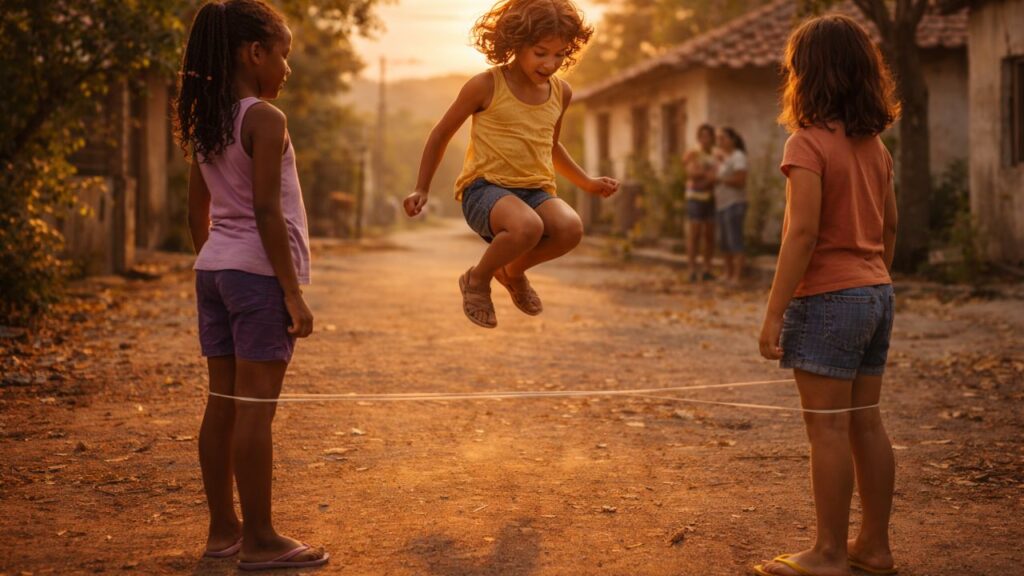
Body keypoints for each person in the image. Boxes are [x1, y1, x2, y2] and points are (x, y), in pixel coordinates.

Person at [173, 1, 328, 570]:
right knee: (256, 410)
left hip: (214, 270)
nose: (287, 67)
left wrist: (217, 261)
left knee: (223, 403)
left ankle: (224, 532)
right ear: (254, 52)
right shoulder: (264, 118)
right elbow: (266, 210)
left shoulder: (207, 118)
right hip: (257, 276)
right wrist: (291, 292)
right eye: (283, 53)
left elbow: (198, 210)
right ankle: (261, 540)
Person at [755, 13, 900, 576]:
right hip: (876, 293)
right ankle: (875, 547)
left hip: (829, 300)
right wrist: (870, 280)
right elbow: (889, 229)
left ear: (806, 75)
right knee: (867, 421)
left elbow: (803, 233)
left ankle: (829, 554)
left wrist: (773, 314)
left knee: (829, 430)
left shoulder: (806, 144)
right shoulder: (877, 149)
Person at [402, 0, 619, 329]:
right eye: (541, 52)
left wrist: (586, 182)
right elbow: (441, 134)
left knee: (570, 229)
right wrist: (422, 186)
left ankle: (512, 272)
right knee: (528, 227)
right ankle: (477, 279)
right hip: (485, 190)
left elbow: (551, 144)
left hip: (535, 190)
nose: (551, 63)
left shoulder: (562, 92)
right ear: (516, 43)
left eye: (560, 54)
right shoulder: (486, 85)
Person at [713, 127, 748, 285]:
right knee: (724, 241)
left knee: (735, 240)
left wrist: (719, 180)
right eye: (718, 138)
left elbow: (740, 180)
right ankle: (727, 273)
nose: (719, 141)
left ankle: (737, 276)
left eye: (723, 138)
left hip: (734, 204)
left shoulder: (737, 157)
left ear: (732, 139)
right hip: (721, 204)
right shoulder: (721, 158)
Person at [683, 124, 717, 282]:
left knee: (709, 234)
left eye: (708, 136)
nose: (705, 139)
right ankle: (691, 268)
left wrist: (706, 175)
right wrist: (706, 174)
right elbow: (691, 172)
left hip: (710, 197)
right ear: (699, 138)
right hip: (695, 197)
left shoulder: (716, 154)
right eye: (702, 136)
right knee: (694, 233)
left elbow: (716, 175)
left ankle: (707, 268)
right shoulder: (694, 153)